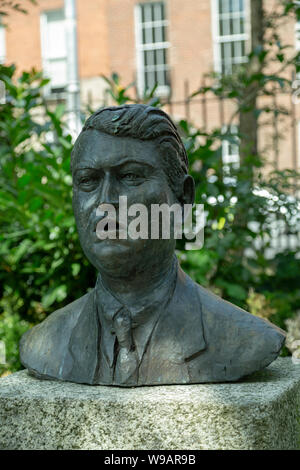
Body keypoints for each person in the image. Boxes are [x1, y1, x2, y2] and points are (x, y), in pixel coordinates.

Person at [20, 104, 285, 386]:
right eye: (88, 181)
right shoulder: (44, 344)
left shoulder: (245, 340)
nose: (104, 203)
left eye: (130, 176)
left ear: (182, 200)